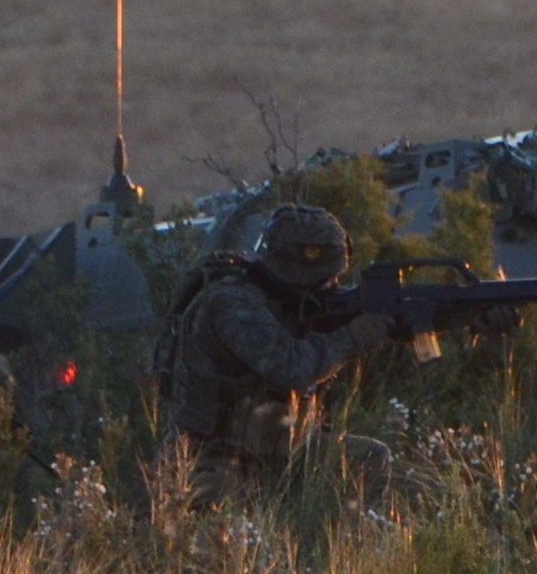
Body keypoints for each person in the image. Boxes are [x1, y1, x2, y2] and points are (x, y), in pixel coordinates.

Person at [159, 202, 414, 487]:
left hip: (280, 447)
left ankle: (355, 529)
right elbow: (293, 368)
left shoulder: (294, 302)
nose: (333, 286)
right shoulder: (231, 302)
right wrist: (354, 336)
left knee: (371, 457)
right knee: (221, 527)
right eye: (325, 279)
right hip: (210, 456)